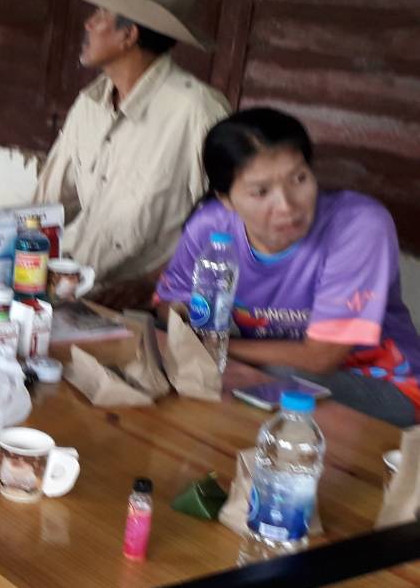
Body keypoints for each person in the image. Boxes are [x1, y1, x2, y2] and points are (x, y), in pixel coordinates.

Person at [156, 108, 420, 427]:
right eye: (261, 192)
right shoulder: (211, 226)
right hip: (271, 367)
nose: (287, 206)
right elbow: (169, 307)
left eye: (299, 179)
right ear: (226, 198)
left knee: (268, 377)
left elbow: (321, 358)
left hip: (389, 385)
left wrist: (217, 346)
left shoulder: (358, 227)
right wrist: (184, 323)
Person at [34, 0, 230, 308]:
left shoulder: (197, 112)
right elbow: (48, 205)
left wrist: (152, 288)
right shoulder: (89, 104)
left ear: (129, 34)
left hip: (140, 309)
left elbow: (230, 232)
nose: (88, 25)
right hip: (66, 289)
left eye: (99, 16)